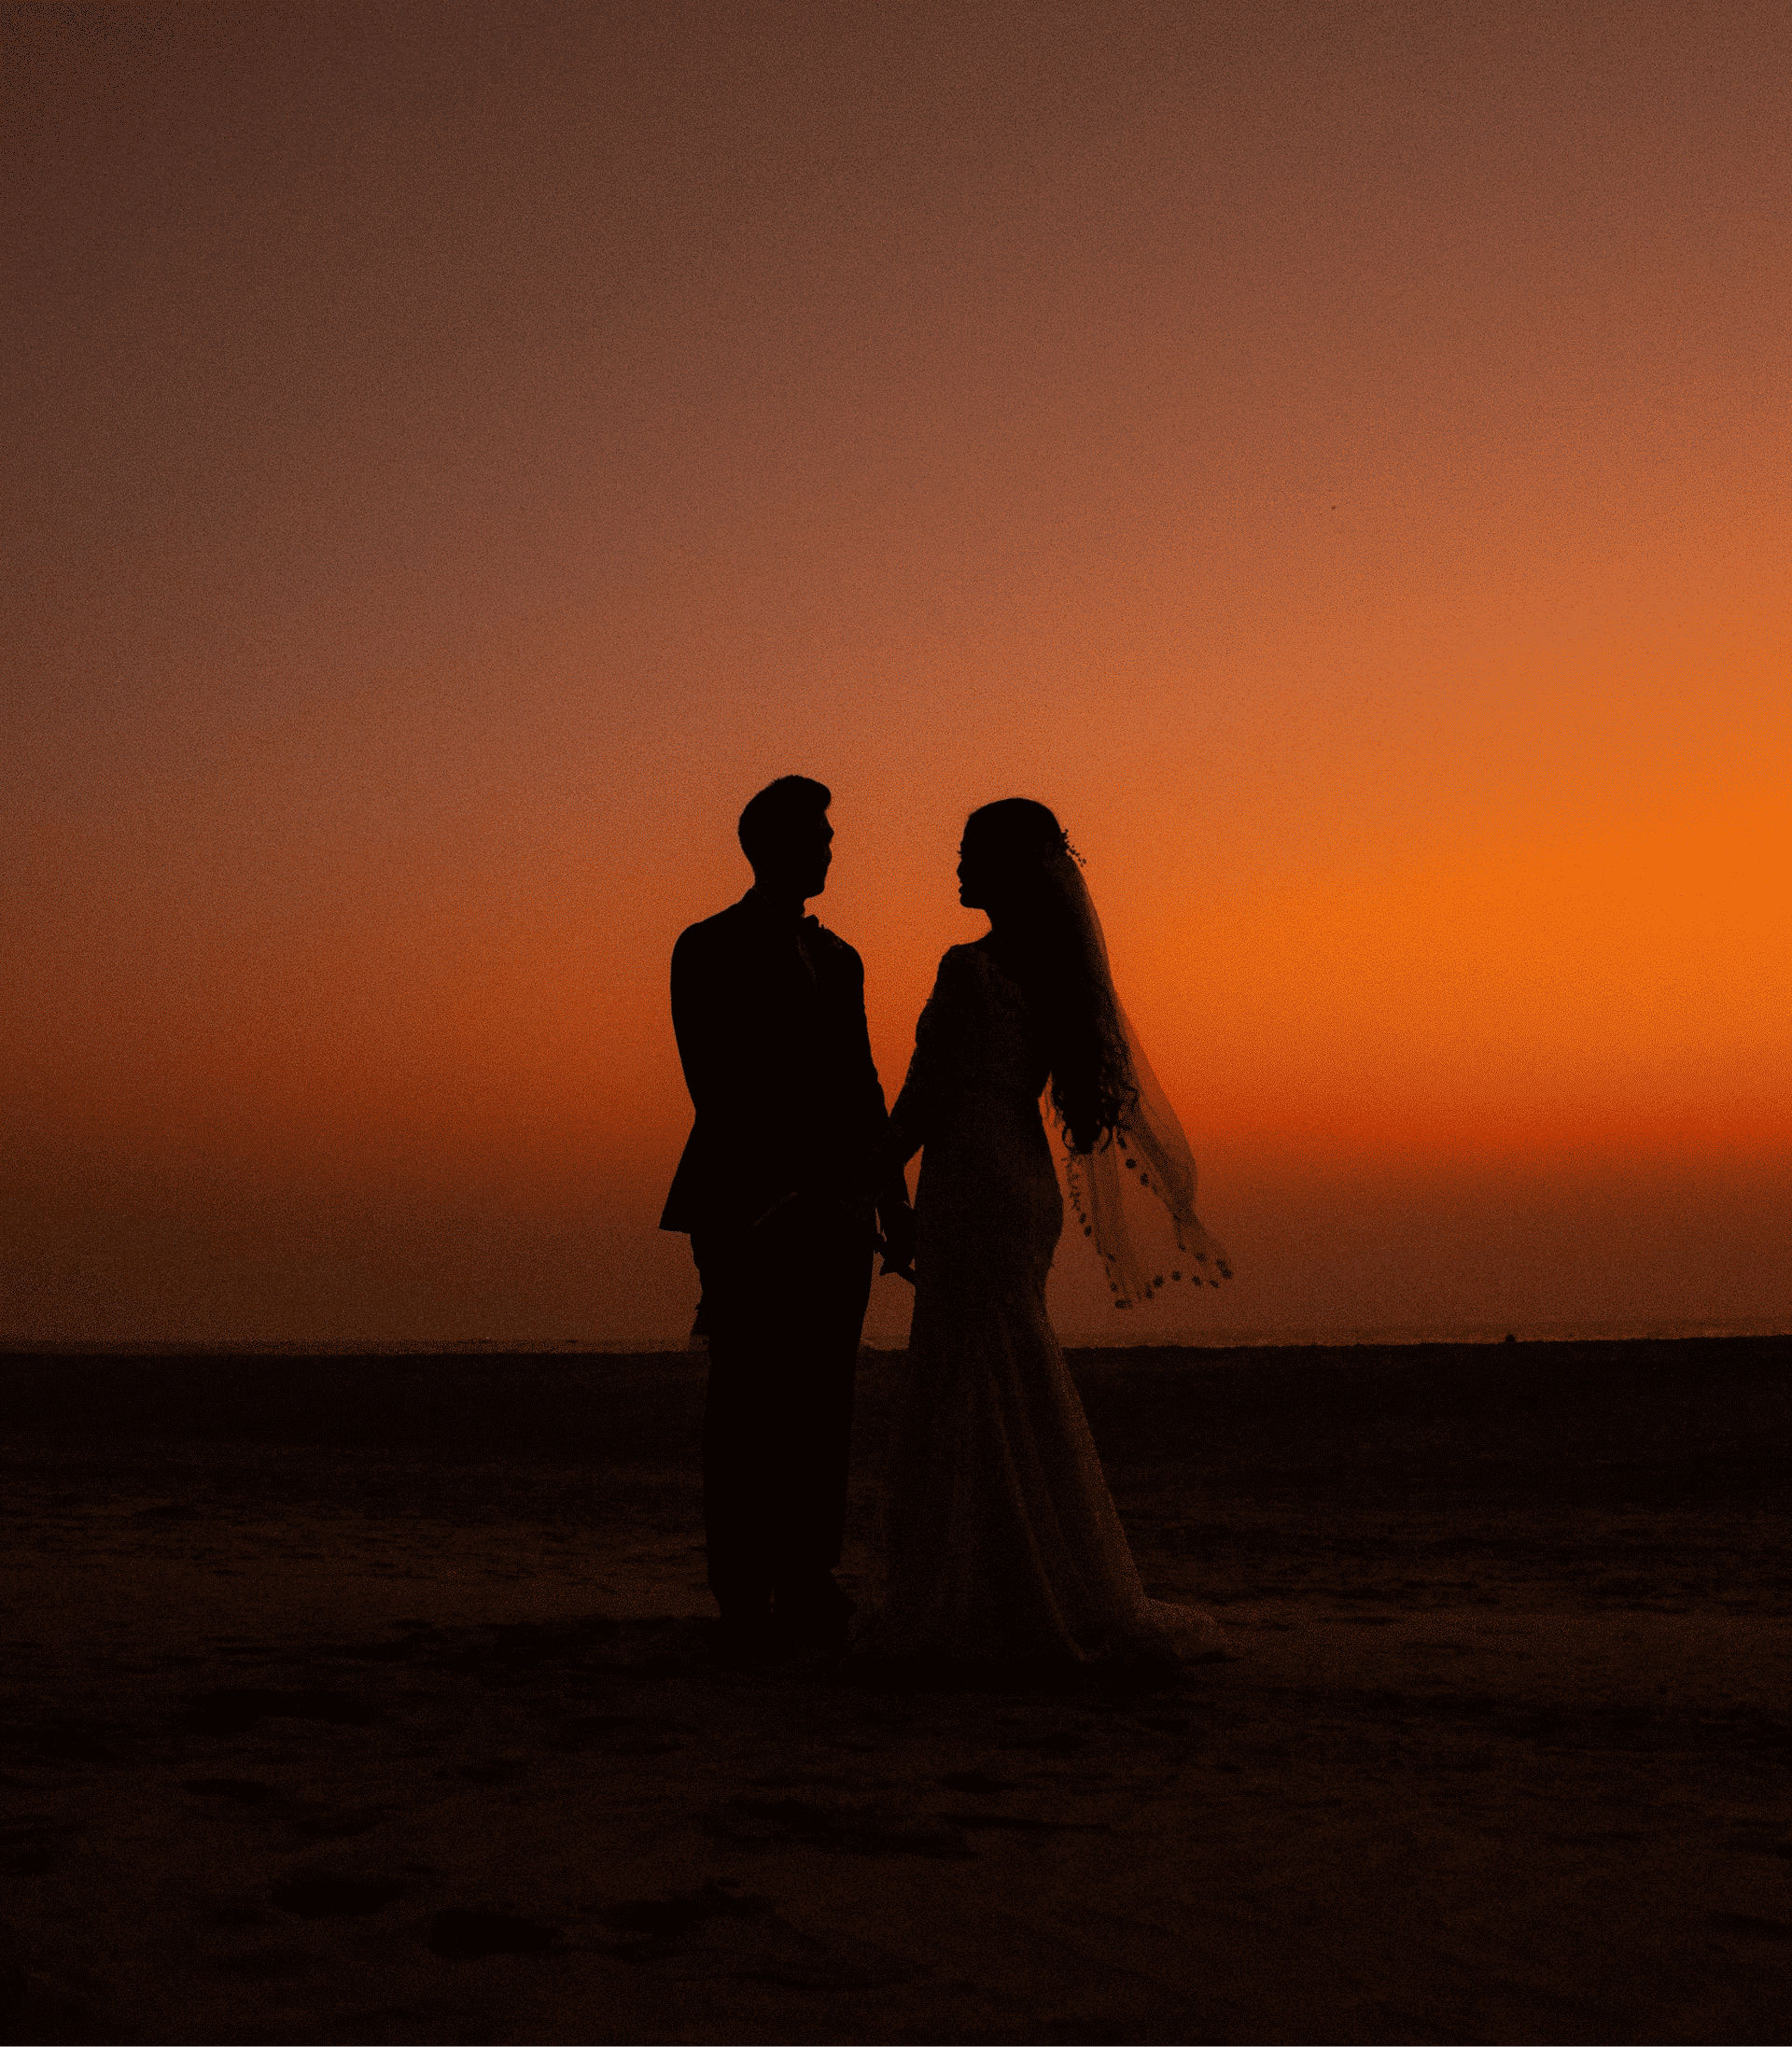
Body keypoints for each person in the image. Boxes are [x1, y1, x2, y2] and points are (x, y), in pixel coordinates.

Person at [871, 798, 1232, 1664]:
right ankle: (1025, 1574)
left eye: (967, 854)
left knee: (969, 1368)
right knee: (1008, 1357)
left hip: (973, 1174)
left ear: (1004, 865)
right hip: (1022, 1178)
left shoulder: (971, 969)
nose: (955, 867)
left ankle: (979, 1590)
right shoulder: (1055, 970)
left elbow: (923, 1098)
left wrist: (876, 1179)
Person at [661, 776, 916, 1654]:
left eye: (830, 832)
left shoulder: (841, 958)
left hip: (839, 1213)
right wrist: (786, 1187)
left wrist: (894, 1200)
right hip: (749, 1206)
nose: (831, 846)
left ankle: (809, 1572)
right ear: (769, 844)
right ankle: (741, 1585)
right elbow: (715, 1083)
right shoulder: (706, 947)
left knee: (823, 1397)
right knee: (747, 1397)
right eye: (818, 832)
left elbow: (866, 1083)